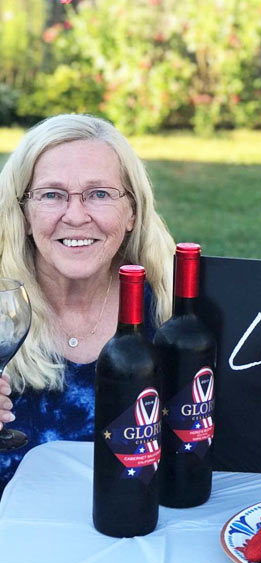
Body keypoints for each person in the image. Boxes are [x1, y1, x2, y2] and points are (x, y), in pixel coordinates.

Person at [0, 113, 175, 495]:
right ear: (24, 214)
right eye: (51, 194)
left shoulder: (172, 312)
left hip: (139, 536)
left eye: (99, 194)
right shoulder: (2, 309)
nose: (76, 216)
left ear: (131, 211)